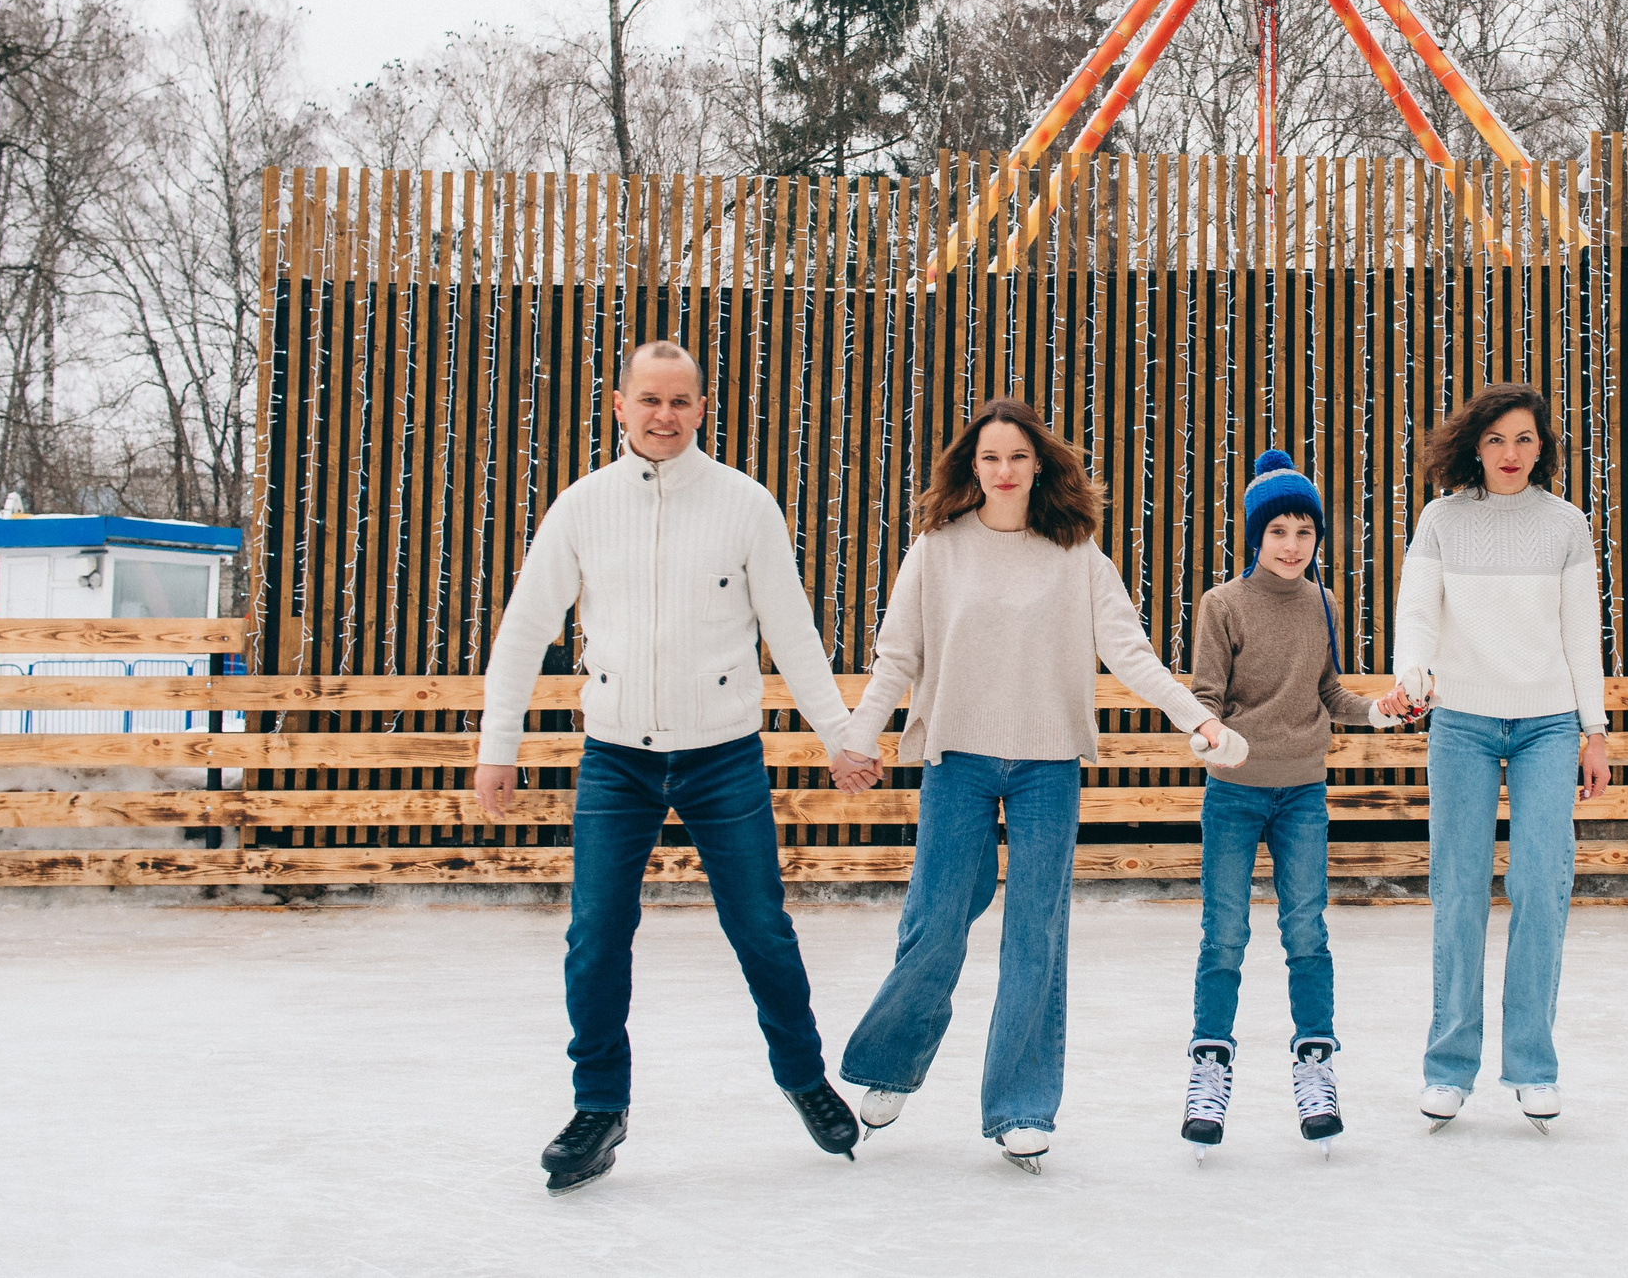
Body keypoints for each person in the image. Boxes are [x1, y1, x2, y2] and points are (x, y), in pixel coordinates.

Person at [472, 339, 870, 1194]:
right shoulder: (582, 507)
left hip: (722, 756)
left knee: (760, 926)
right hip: (616, 758)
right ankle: (598, 1105)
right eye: (649, 399)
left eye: (680, 400)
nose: (664, 415)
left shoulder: (745, 505)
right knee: (595, 935)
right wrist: (497, 745)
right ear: (620, 406)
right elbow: (524, 628)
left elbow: (792, 630)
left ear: (701, 408)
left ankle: (804, 1077)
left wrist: (839, 734)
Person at [828, 397, 1233, 1174]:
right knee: (935, 921)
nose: (1004, 470)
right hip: (958, 758)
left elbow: (1131, 652)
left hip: (1048, 764)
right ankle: (891, 1063)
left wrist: (1199, 717)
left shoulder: (1075, 551)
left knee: (1035, 937)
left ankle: (1021, 1106)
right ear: (972, 467)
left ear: (1039, 464)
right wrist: (858, 734)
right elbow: (897, 655)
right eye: (990, 457)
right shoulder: (938, 548)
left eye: (1017, 456)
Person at [1177, 449, 1413, 1158]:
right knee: (1224, 932)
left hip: (1303, 793)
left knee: (1306, 929)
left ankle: (1316, 1061)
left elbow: (1328, 692)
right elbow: (1205, 699)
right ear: (1256, 535)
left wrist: (1377, 712)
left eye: (1304, 532)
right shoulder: (1221, 605)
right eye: (1277, 531)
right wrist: (1209, 737)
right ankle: (1210, 1065)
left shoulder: (1323, 603)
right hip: (1234, 793)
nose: (1291, 544)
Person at [1390, 383, 1609, 1133]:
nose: (1509, 453)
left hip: (1548, 724)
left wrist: (1594, 730)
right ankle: (1448, 1068)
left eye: (1523, 439)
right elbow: (1417, 611)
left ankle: (1534, 1065)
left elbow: (1581, 634)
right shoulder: (1442, 520)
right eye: (1495, 439)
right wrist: (1412, 671)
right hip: (1462, 723)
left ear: (1542, 447)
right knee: (1458, 890)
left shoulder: (1566, 525)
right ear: (1474, 447)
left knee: (1541, 884)